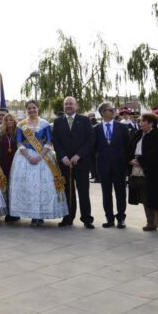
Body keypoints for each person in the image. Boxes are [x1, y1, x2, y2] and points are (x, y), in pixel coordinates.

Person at [9, 101, 68, 225]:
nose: (31, 110)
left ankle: (40, 215)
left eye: (33, 108)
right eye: (29, 108)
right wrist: (29, 157)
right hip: (25, 157)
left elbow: (49, 142)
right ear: (26, 110)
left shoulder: (45, 124)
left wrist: (40, 156)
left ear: (38, 108)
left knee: (42, 186)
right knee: (28, 186)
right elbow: (19, 143)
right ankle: (31, 214)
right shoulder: (21, 125)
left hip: (43, 157)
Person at [51, 96, 95, 229]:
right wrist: (62, 156)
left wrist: (79, 155)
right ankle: (68, 217)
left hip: (81, 162)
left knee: (83, 192)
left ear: (76, 106)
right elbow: (56, 141)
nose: (68, 106)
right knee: (67, 192)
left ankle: (87, 218)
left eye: (71, 104)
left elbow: (90, 139)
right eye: (66, 104)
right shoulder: (58, 121)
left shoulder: (84, 120)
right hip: (64, 163)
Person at [127, 113, 158, 235]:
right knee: (145, 199)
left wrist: (142, 160)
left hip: (155, 173)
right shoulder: (138, 134)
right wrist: (130, 159)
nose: (140, 123)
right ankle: (151, 223)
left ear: (151, 123)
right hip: (137, 171)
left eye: (143, 121)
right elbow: (129, 149)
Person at [94, 101, 130, 228]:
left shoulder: (122, 127)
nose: (113, 111)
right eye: (110, 110)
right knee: (106, 192)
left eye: (113, 109)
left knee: (121, 192)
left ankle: (121, 218)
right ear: (103, 113)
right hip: (103, 166)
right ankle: (109, 218)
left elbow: (128, 146)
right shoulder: (96, 129)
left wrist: (127, 162)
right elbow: (94, 149)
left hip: (119, 165)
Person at [0, 113, 20, 223]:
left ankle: (15, 212)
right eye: (7, 120)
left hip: (16, 164)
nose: (9, 122)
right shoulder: (0, 135)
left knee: (14, 188)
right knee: (5, 189)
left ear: (15, 121)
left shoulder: (19, 134)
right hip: (3, 164)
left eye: (11, 120)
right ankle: (8, 212)